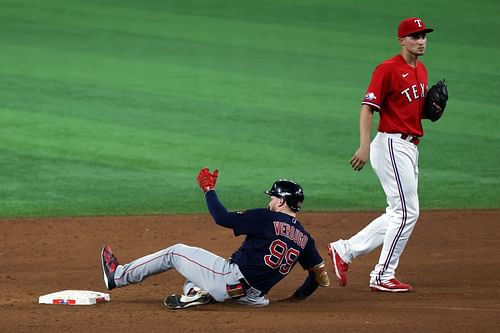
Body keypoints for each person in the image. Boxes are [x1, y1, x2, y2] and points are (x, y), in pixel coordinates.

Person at [101, 167, 329, 309]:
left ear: (281, 201)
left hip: (228, 280)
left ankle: (117, 277)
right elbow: (319, 276)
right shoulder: (305, 238)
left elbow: (221, 218)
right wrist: (296, 298)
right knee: (194, 279)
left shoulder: (266, 217)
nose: (269, 202)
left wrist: (209, 190)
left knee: (175, 252)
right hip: (253, 299)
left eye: (272, 198)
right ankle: (197, 294)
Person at [327, 17, 441, 292]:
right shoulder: (387, 69)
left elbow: (414, 110)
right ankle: (382, 275)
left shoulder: (422, 69)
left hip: (410, 147)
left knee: (397, 212)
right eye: (415, 36)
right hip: (390, 144)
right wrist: (364, 145)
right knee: (407, 212)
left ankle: (345, 250)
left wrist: (432, 112)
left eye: (423, 36)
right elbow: (367, 108)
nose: (421, 41)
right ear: (401, 40)